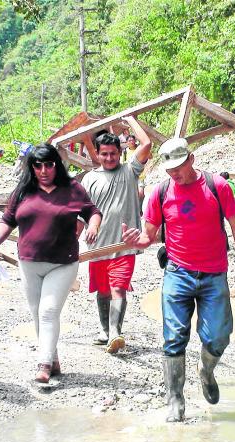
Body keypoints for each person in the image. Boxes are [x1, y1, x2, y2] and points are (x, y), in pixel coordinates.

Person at [122, 137, 235, 422]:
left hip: (214, 274)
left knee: (219, 337)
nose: (175, 174)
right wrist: (139, 240)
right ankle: (176, 401)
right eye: (169, 170)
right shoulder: (159, 193)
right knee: (174, 338)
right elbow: (150, 234)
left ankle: (206, 371)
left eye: (179, 167)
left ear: (191, 159)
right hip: (177, 274)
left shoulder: (217, 186)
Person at [0, 144, 102, 384]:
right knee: (37, 314)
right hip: (29, 262)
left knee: (49, 311)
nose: (44, 170)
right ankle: (53, 358)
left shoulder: (72, 189)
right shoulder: (23, 191)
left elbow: (93, 211)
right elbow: (7, 221)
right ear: (32, 167)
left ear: (56, 165)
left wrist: (93, 226)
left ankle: (44, 365)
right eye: (38, 165)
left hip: (63, 263)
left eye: (49, 164)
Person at [81, 117, 151, 353]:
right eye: (105, 154)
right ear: (98, 154)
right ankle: (105, 330)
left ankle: (115, 333)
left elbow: (147, 144)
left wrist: (131, 120)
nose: (110, 158)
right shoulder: (89, 179)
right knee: (102, 291)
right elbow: (82, 214)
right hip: (98, 246)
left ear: (120, 153)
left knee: (118, 288)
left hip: (124, 245)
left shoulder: (130, 171)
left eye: (113, 154)